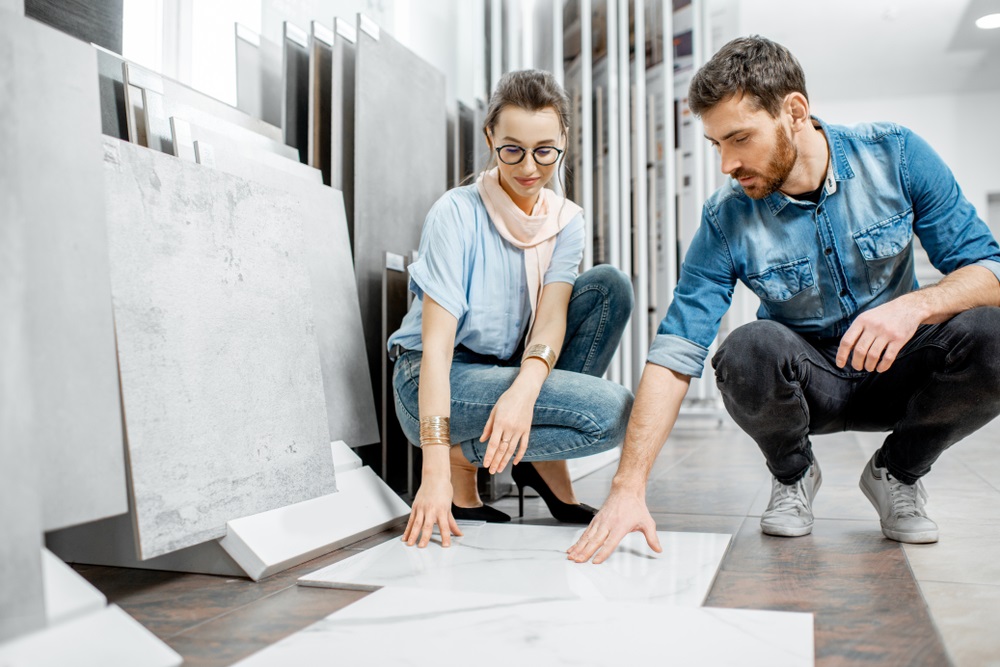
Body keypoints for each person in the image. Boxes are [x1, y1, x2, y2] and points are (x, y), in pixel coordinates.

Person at [568, 35, 1000, 563]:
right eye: (716, 144)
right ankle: (793, 474)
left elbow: (990, 270)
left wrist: (913, 306)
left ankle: (899, 471)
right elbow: (676, 350)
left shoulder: (898, 155)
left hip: (901, 371)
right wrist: (627, 488)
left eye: (739, 138)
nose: (726, 163)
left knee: (994, 335)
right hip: (808, 385)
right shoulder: (725, 217)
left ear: (794, 111)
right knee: (746, 349)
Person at [389, 69, 635, 549]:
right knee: (610, 413)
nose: (529, 167)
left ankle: (533, 457)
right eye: (512, 150)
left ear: (564, 138)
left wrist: (525, 392)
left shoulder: (564, 222)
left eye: (545, 150)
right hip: (432, 379)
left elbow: (550, 318)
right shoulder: (455, 214)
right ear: (489, 138)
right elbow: (437, 351)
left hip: (504, 370)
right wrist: (434, 466)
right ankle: (464, 461)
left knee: (609, 288)